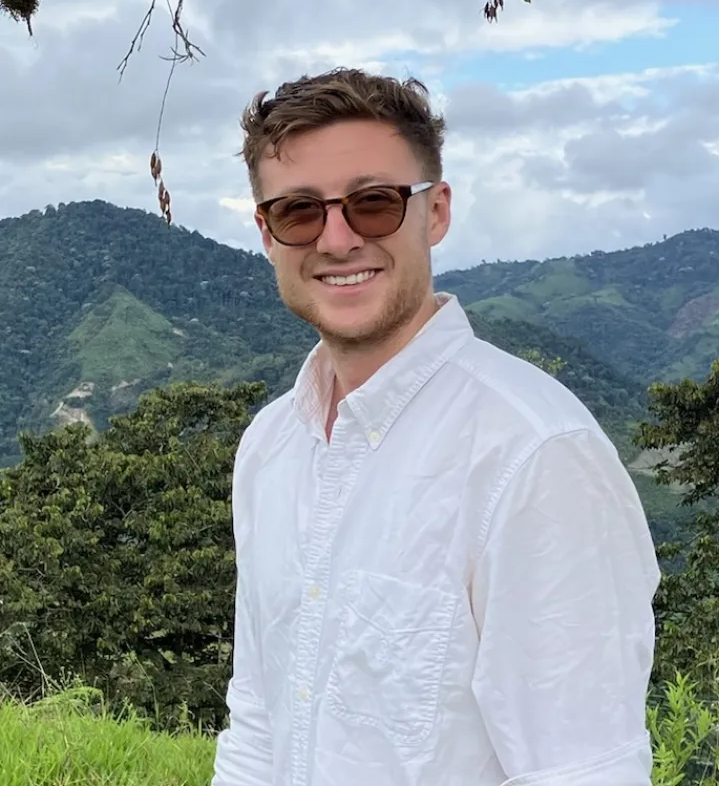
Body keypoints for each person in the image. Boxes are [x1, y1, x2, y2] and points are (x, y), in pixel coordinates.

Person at [211, 68, 660, 786]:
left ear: (436, 210)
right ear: (266, 232)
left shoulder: (533, 454)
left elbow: (581, 770)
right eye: (299, 211)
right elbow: (260, 720)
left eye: (374, 203)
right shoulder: (271, 446)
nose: (336, 238)